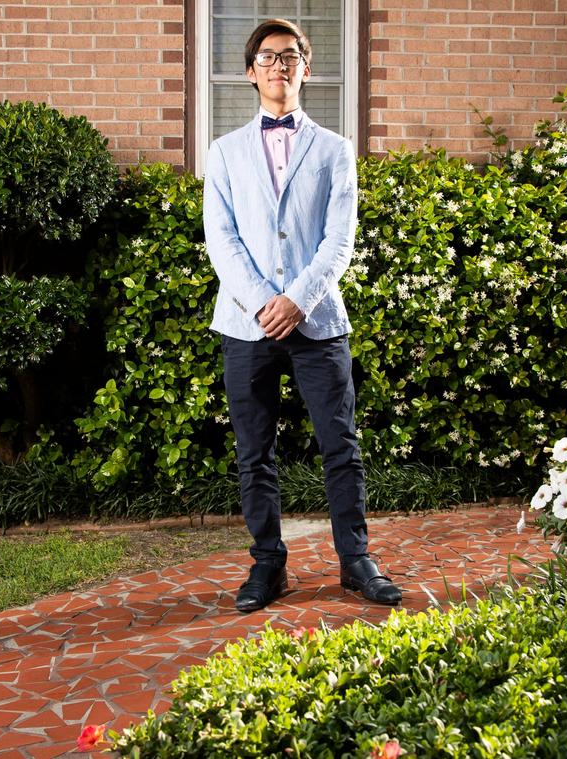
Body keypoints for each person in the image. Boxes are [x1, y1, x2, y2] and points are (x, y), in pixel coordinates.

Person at [203, 18, 402, 613]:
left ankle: (355, 561)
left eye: (290, 56)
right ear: (250, 73)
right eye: (267, 57)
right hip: (247, 324)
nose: (279, 66)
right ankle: (268, 565)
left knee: (341, 445)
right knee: (253, 451)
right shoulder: (224, 151)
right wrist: (266, 302)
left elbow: (339, 242)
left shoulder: (337, 150)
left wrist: (298, 301)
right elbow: (221, 239)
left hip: (318, 323)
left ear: (306, 68)